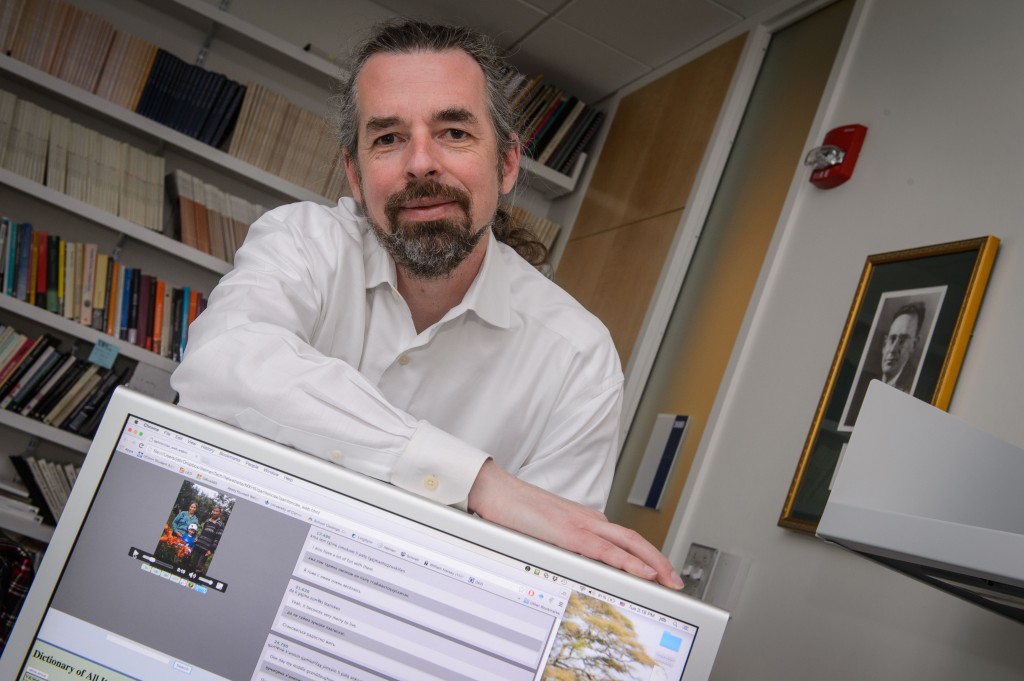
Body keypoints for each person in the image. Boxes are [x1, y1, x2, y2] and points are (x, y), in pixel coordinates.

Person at [171, 20, 681, 589]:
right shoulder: (301, 241)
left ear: (507, 164)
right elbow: (218, 365)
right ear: (355, 176)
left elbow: (531, 580)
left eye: (454, 132)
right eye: (388, 138)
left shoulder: (579, 358)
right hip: (218, 570)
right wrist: (479, 482)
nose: (420, 163)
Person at [844, 301, 925, 426]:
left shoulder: (917, 393)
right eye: (892, 339)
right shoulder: (861, 383)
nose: (893, 349)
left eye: (902, 340)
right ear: (884, 344)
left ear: (914, 344)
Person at [186, 506, 225, 575]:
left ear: (220, 513)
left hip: (207, 549)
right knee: (192, 563)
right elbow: (202, 532)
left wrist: (211, 550)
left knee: (199, 566)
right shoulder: (207, 521)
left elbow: (217, 539)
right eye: (214, 511)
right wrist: (197, 538)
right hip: (198, 545)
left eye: (217, 511)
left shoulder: (220, 524)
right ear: (212, 511)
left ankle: (196, 581)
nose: (215, 512)